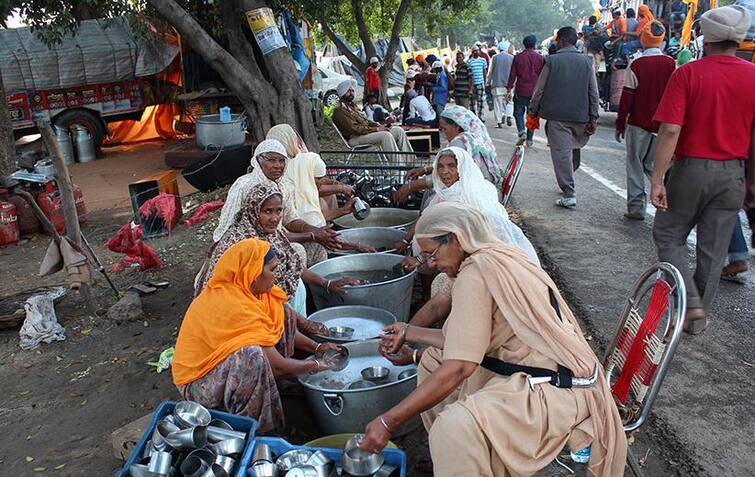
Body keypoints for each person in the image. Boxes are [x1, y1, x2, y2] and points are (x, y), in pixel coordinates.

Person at [357, 203, 627, 477]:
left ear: (458, 239)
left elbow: (461, 366)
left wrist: (388, 421)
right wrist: (409, 334)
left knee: (454, 427)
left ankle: (457, 452)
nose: (431, 264)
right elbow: (464, 340)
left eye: (432, 254)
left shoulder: (476, 274)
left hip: (559, 389)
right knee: (430, 362)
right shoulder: (496, 255)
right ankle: (458, 461)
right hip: (541, 371)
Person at [650, 5, 755, 334]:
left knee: (668, 233)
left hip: (691, 170)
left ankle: (689, 302)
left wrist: (657, 178)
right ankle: (695, 322)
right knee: (715, 248)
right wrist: (751, 183)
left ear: (704, 40)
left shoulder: (688, 73)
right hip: (733, 174)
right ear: (738, 41)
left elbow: (670, 130)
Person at [174, 239, 344, 433]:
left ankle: (272, 387)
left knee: (283, 311)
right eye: (272, 269)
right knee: (250, 357)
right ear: (253, 274)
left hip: (226, 365)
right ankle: (257, 429)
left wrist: (317, 348)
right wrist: (318, 366)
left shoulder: (253, 292)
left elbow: (279, 328)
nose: (276, 275)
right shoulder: (231, 305)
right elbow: (278, 366)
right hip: (200, 382)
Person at [197, 184, 362, 311]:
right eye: (268, 211)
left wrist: (328, 283)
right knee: (288, 302)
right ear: (253, 211)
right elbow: (243, 292)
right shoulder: (241, 241)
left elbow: (294, 266)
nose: (274, 218)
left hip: (256, 297)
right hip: (229, 306)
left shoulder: (269, 233)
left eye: (278, 211)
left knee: (297, 288)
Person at [213, 140, 340, 260]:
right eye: (271, 160)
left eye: (281, 160)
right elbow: (253, 234)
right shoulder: (245, 186)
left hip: (273, 238)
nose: (277, 166)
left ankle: (312, 282)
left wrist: (317, 231)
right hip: (246, 244)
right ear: (258, 160)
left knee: (317, 247)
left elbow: (290, 219)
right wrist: (312, 235)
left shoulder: (283, 186)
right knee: (295, 250)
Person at [530, 27, 599, 209]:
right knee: (573, 149)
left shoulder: (552, 61)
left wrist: (533, 110)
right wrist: (594, 117)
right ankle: (568, 180)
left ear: (561, 40)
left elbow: (539, 90)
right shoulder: (587, 62)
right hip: (581, 116)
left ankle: (569, 192)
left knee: (561, 153)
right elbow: (593, 92)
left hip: (557, 116)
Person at [615, 21, 676, 221]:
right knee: (655, 166)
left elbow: (627, 97)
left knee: (634, 164)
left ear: (643, 38)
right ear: (662, 39)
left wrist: (620, 123)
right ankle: (666, 202)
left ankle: (636, 208)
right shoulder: (671, 64)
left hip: (638, 123)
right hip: (662, 125)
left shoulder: (637, 64)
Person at [331, 79, 414, 161]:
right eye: (348, 91)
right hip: (354, 138)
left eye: (352, 91)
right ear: (342, 93)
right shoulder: (339, 110)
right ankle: (398, 169)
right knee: (385, 135)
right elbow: (355, 129)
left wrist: (381, 125)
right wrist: (377, 129)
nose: (351, 93)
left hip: (365, 133)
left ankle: (411, 164)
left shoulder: (354, 106)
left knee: (398, 130)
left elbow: (367, 122)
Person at [508, 34, 545, 147]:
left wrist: (509, 88)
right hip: (535, 91)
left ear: (524, 44)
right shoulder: (540, 58)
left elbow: (513, 74)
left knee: (518, 112)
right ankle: (529, 139)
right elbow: (543, 76)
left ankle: (521, 132)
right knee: (532, 114)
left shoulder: (518, 57)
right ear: (534, 44)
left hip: (521, 90)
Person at [487, 44, 514, 128]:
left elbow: (491, 71)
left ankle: (498, 122)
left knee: (497, 104)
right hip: (508, 85)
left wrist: (488, 82)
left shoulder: (494, 57)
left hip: (497, 84)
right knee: (509, 102)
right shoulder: (512, 57)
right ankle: (509, 115)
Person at [467, 46, 489, 119]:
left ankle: (480, 116)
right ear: (472, 52)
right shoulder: (469, 61)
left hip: (480, 83)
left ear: (479, 51)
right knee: (472, 102)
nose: (476, 52)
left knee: (481, 101)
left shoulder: (483, 60)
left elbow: (484, 72)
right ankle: (473, 116)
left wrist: (485, 82)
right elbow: (469, 74)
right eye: (474, 51)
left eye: (477, 51)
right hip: (472, 84)